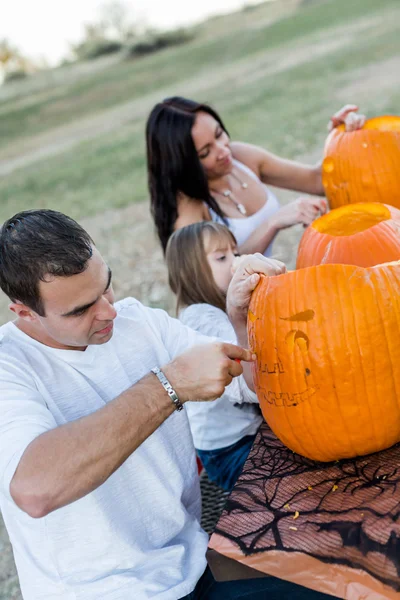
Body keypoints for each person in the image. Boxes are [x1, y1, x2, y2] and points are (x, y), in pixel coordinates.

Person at [0, 209, 336, 600]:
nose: (109, 311)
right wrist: (168, 385)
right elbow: (35, 489)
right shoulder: (10, 368)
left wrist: (242, 321)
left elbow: (252, 383)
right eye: (80, 310)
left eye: (106, 286)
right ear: (24, 313)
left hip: (193, 567)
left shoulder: (138, 321)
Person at [146, 97, 366, 254]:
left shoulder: (240, 156)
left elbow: (318, 181)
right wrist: (274, 222)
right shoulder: (188, 211)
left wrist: (340, 139)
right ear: (182, 164)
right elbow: (220, 280)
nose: (223, 149)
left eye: (219, 134)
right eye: (205, 152)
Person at [166, 221, 262, 491]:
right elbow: (250, 375)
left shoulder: (218, 307)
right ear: (192, 271)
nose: (236, 261)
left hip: (252, 428)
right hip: (230, 448)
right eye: (222, 257)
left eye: (236, 252)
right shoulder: (200, 319)